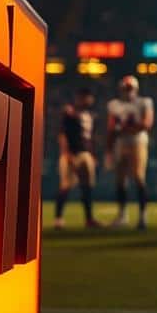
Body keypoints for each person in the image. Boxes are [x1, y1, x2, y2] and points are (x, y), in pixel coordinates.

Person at [105, 75, 154, 229]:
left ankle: (142, 216)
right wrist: (108, 149)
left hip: (138, 143)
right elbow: (111, 127)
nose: (128, 91)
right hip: (120, 144)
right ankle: (122, 215)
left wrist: (124, 129)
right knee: (120, 181)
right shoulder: (114, 104)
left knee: (139, 178)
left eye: (130, 88)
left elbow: (146, 124)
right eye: (125, 88)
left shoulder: (144, 102)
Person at [54, 87, 101, 229]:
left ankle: (89, 219)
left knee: (87, 187)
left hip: (85, 153)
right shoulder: (70, 113)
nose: (89, 100)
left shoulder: (89, 115)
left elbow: (90, 138)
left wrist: (92, 154)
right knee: (66, 186)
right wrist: (66, 153)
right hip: (72, 153)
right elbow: (62, 134)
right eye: (86, 97)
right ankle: (58, 219)